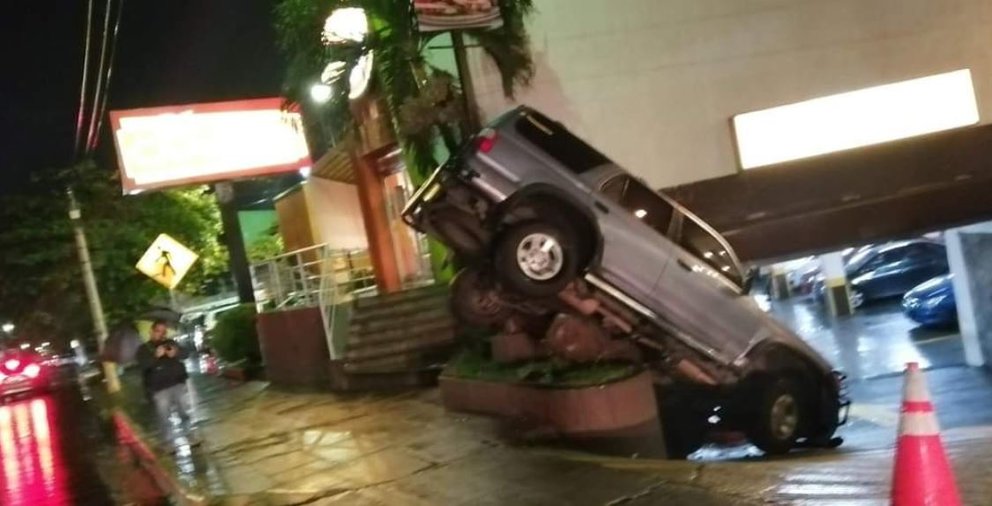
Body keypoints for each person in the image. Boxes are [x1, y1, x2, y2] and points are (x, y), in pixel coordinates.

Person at [135, 320, 200, 450]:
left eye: (164, 331)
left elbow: (185, 354)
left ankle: (189, 435)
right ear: (152, 331)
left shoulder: (170, 343)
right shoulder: (143, 349)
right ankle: (167, 442)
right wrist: (155, 356)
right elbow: (143, 365)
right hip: (159, 388)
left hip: (177, 383)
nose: (162, 334)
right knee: (164, 416)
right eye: (159, 331)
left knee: (183, 411)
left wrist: (176, 352)